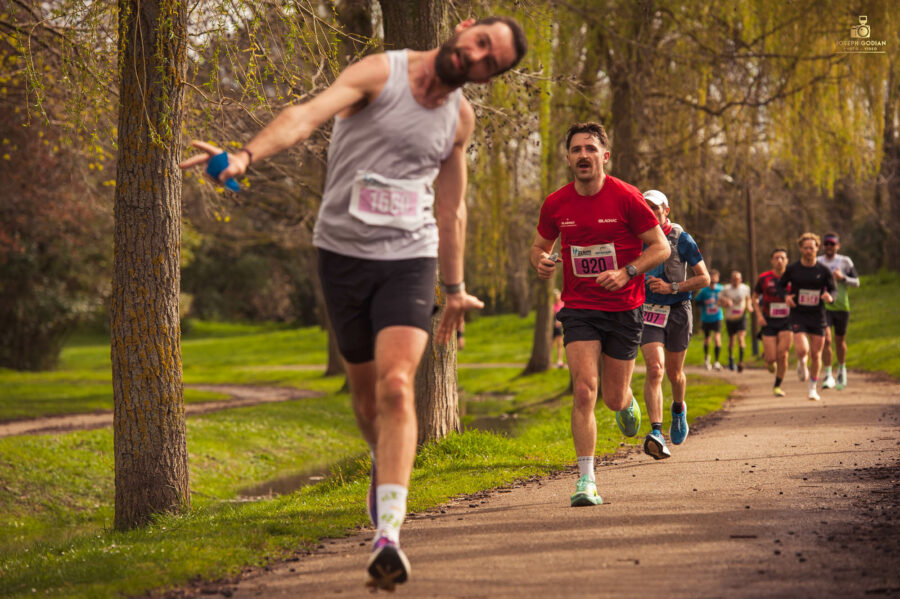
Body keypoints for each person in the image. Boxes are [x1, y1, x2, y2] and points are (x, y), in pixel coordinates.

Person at [180, 17, 527, 590]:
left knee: (396, 386)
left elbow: (452, 208)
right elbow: (304, 116)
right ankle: (382, 459)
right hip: (341, 255)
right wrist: (245, 155)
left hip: (409, 258)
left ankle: (388, 534)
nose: (477, 58)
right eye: (481, 42)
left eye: (491, 62)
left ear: (491, 78)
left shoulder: (459, 118)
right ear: (466, 28)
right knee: (367, 403)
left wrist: (454, 287)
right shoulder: (381, 72)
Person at [530, 122, 669, 507]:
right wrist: (541, 261)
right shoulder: (556, 202)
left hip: (624, 308)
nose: (583, 155)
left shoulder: (626, 197)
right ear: (569, 158)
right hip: (579, 309)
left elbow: (660, 248)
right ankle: (585, 481)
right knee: (583, 389)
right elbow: (539, 245)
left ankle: (626, 401)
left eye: (590, 148)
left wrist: (628, 271)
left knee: (611, 397)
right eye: (576, 149)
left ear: (604, 156)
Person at [638, 190, 710, 459]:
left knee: (674, 373)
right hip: (649, 311)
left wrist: (672, 287)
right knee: (655, 369)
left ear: (666, 210)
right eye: (645, 208)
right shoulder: (635, 238)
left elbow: (704, 279)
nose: (651, 213)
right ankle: (656, 431)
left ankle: (678, 409)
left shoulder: (682, 238)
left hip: (679, 309)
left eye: (656, 208)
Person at [776, 233, 835, 401]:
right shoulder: (793, 269)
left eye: (812, 247)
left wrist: (830, 297)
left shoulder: (823, 270)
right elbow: (780, 286)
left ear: (817, 248)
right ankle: (802, 362)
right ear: (801, 249)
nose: (809, 250)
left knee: (816, 354)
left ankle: (812, 388)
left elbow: (833, 289)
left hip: (818, 315)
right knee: (802, 350)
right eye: (805, 248)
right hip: (798, 314)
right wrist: (786, 296)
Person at [817, 233, 860, 390]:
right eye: (826, 244)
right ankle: (828, 375)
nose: (829, 247)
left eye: (832, 244)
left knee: (839, 341)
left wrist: (842, 278)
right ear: (823, 246)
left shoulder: (845, 261)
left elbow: (857, 282)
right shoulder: (818, 262)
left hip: (842, 306)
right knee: (826, 340)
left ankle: (842, 369)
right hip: (823, 307)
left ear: (838, 246)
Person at [753, 248, 793, 397]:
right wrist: (758, 316)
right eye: (776, 258)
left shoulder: (793, 277)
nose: (779, 261)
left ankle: (777, 385)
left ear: (787, 260)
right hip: (768, 320)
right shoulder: (764, 278)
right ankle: (768, 360)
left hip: (787, 320)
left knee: (783, 354)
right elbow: (755, 297)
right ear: (772, 261)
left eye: (782, 258)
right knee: (771, 359)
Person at [719, 270, 753, 372]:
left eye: (737, 279)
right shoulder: (726, 289)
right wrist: (725, 302)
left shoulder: (745, 288)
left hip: (741, 317)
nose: (735, 281)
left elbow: (748, 299)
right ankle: (731, 359)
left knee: (741, 339)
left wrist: (749, 306)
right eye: (733, 279)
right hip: (730, 318)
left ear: (741, 280)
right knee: (732, 341)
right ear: (731, 280)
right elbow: (719, 301)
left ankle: (741, 362)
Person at [695, 269, 724, 370]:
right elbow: (696, 302)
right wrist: (705, 302)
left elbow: (727, 301)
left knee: (717, 338)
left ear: (718, 278)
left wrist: (726, 303)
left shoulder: (721, 289)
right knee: (707, 339)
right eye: (711, 278)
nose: (713, 280)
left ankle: (716, 361)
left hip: (717, 317)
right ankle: (707, 359)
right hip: (706, 318)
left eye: (715, 278)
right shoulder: (704, 290)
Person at [552, 288, 565, 368]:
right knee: (551, 344)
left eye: (557, 295)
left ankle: (559, 361)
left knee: (560, 344)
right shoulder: (553, 306)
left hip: (559, 327)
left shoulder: (563, 305)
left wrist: (561, 322)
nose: (556, 297)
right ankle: (548, 359)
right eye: (555, 295)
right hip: (552, 327)